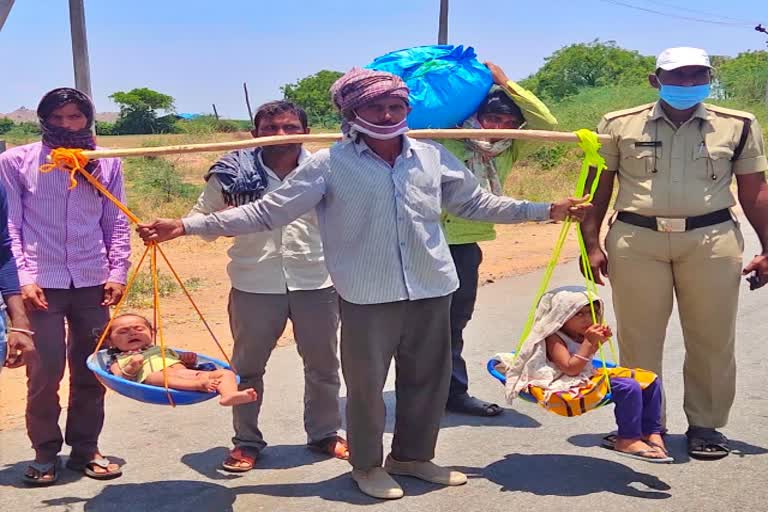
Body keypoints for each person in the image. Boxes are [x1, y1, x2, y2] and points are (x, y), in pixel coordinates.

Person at [138, 68, 590, 500]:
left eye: (397, 106)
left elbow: (478, 203)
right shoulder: (328, 165)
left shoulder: (432, 157)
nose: (389, 116)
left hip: (432, 287)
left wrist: (545, 209)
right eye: (378, 108)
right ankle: (368, 466)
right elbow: (266, 211)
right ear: (352, 114)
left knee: (427, 381)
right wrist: (186, 226)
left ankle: (413, 457)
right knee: (366, 387)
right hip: (365, 295)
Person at [580, 47, 768, 460]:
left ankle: (706, 426)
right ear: (655, 79)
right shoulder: (618, 124)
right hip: (636, 240)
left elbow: (755, 191)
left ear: (709, 78)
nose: (688, 84)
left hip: (711, 240)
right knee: (639, 340)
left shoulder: (738, 125)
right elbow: (598, 187)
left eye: (697, 75)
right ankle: (647, 426)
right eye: (678, 75)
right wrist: (590, 244)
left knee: (712, 338)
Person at [187, 100, 348, 472]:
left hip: (317, 280)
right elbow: (199, 222)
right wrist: (237, 217)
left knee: (323, 365)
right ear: (255, 134)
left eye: (291, 127)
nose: (281, 135)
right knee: (246, 368)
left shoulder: (328, 169)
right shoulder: (230, 174)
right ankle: (246, 442)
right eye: (271, 128)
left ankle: (325, 433)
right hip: (254, 282)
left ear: (305, 131)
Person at [0, 88, 131, 485]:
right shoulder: (15, 161)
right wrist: (23, 280)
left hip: (93, 279)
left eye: (74, 117)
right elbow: (10, 227)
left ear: (87, 120)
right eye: (56, 118)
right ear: (43, 120)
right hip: (41, 283)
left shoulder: (104, 161)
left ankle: (85, 447)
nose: (66, 125)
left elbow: (116, 221)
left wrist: (117, 271)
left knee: (92, 368)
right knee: (45, 370)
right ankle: (44, 450)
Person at [440, 61, 559, 417]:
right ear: (477, 117)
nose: (498, 129)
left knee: (454, 322)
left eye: (508, 123)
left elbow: (547, 126)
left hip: (465, 241)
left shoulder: (510, 147)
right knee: (416, 324)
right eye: (492, 120)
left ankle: (452, 393)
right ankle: (418, 393)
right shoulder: (446, 136)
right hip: (424, 239)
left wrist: (506, 82)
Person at [502, 286, 672, 463]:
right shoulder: (553, 337)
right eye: (579, 314)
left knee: (650, 379)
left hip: (585, 374)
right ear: (560, 315)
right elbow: (570, 368)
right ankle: (627, 439)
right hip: (566, 381)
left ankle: (650, 431)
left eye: (591, 313)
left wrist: (597, 342)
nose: (588, 319)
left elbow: (586, 359)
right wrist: (589, 342)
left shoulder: (579, 333)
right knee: (628, 387)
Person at [104, 313, 257, 406]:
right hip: (159, 380)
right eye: (123, 332)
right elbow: (120, 378)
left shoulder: (160, 350)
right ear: (110, 341)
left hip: (187, 375)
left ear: (152, 333)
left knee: (225, 373)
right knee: (157, 376)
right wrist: (132, 366)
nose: (132, 333)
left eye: (139, 329)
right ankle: (198, 385)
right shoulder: (119, 359)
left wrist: (187, 361)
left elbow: (180, 363)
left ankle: (229, 395)